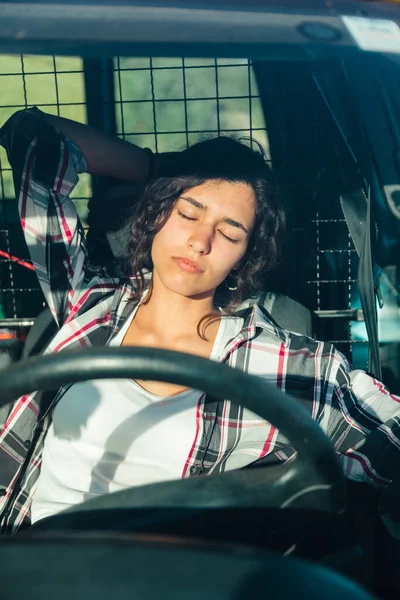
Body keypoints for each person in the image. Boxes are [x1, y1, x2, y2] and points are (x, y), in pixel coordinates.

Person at [0, 107, 400, 536]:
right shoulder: (86, 302)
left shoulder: (280, 361)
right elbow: (32, 136)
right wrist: (159, 168)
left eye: (229, 234)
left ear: (246, 256)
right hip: (33, 566)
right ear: (158, 213)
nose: (200, 241)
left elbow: (388, 436)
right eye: (189, 213)